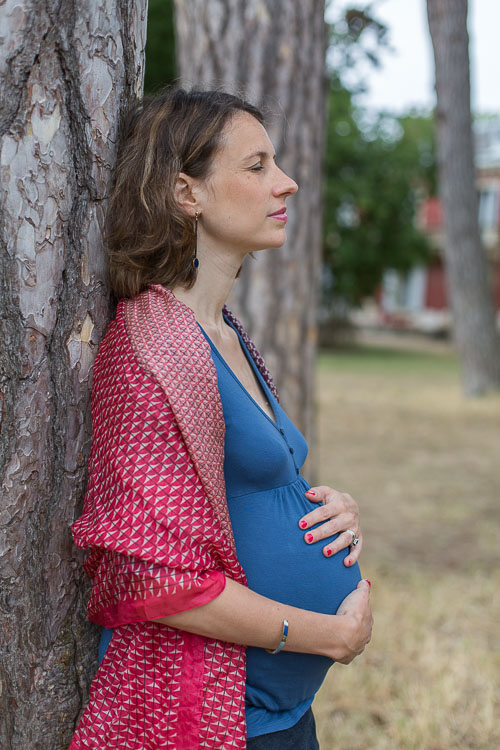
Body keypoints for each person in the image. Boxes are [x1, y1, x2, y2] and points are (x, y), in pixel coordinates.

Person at [69, 88, 373, 750]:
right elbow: (152, 577)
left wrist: (333, 510)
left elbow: (254, 488)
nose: (285, 182)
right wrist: (326, 633)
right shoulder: (147, 345)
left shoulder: (224, 332)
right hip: (215, 716)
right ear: (187, 193)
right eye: (257, 166)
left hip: (281, 715)